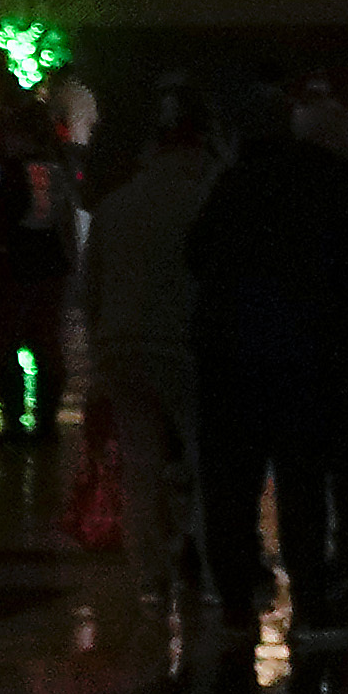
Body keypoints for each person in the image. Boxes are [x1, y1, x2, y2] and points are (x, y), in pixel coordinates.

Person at [185, 79, 348, 635]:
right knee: (301, 486)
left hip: (228, 357)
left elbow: (198, 255)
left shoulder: (235, 183)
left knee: (231, 489)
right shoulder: (332, 184)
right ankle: (310, 600)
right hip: (304, 359)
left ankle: (237, 603)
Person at [81, 83, 217, 589]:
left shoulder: (115, 206)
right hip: (182, 348)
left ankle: (150, 575)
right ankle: (200, 562)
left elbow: (90, 286)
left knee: (140, 467)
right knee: (202, 461)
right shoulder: (203, 202)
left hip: (120, 349)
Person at [0, 112, 83, 433]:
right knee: (46, 344)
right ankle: (46, 423)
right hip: (49, 268)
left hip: (9, 272)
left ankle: (14, 423)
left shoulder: (7, 173)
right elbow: (65, 225)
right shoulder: (58, 172)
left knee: (5, 345)